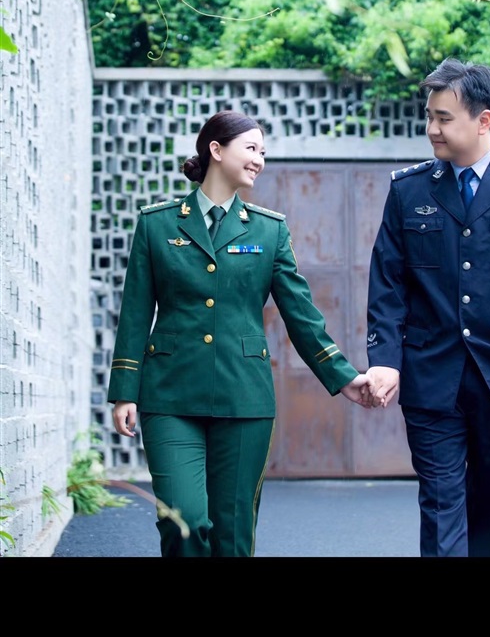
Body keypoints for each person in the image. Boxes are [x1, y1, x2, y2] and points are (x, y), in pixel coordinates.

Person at [108, 109, 372, 557]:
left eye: (263, 152)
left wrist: (343, 376)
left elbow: (300, 313)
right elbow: (135, 312)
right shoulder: (156, 224)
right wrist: (124, 391)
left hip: (243, 398)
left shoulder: (270, 230)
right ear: (216, 149)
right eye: (251, 148)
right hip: (169, 396)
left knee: (232, 535)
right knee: (184, 521)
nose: (259, 160)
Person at [363, 57, 490, 557]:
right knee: (440, 509)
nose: (431, 129)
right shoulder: (409, 190)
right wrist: (386, 359)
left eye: (444, 118)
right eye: (429, 116)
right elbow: (388, 285)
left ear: (484, 120)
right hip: (430, 378)